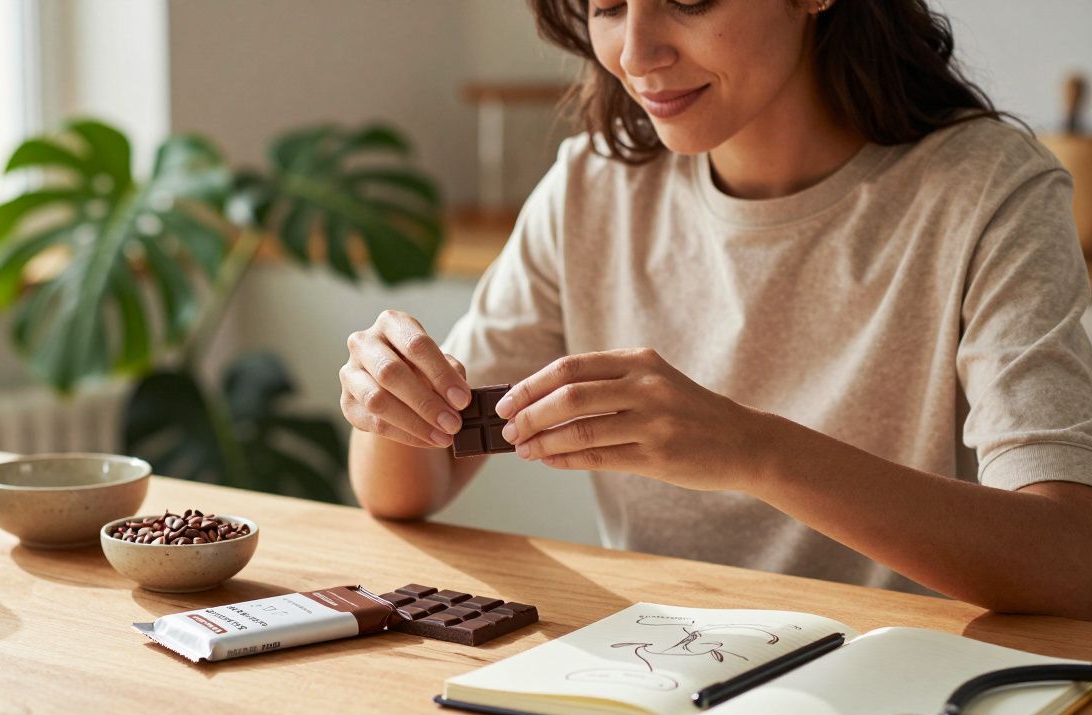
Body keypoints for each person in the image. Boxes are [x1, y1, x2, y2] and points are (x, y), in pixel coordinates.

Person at [338, 0, 1092, 620]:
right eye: (605, 6)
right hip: (650, 674)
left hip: (900, 687)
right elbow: (408, 489)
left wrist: (754, 451)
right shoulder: (591, 189)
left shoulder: (989, 192)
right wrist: (391, 400)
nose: (636, 52)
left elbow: (1069, 556)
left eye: (688, 1)